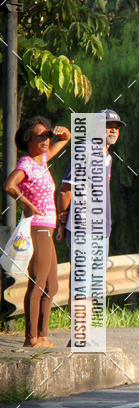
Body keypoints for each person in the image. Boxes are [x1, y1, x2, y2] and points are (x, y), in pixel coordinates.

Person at [4, 116, 71, 347]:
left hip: (49, 229)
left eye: (47, 136)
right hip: (37, 227)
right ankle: (31, 338)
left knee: (52, 285)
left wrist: (62, 133)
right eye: (40, 136)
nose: (45, 140)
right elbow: (9, 185)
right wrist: (26, 203)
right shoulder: (26, 164)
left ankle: (43, 335)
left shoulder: (41, 160)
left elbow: (65, 140)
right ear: (28, 140)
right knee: (38, 283)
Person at [56, 108, 125, 252]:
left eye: (116, 127)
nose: (113, 131)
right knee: (82, 274)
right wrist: (62, 223)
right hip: (82, 229)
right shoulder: (84, 151)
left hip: (102, 229)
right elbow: (65, 190)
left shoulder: (108, 157)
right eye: (108, 126)